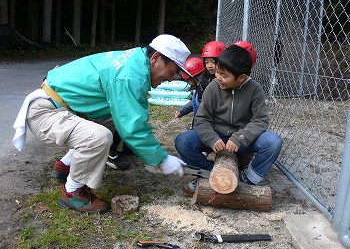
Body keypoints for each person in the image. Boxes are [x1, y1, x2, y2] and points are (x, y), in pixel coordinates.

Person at [12, 34, 190, 214]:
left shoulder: (136, 62)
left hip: (62, 107)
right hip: (46, 113)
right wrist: (160, 158)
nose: (171, 78)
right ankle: (72, 191)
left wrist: (154, 155)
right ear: (156, 58)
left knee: (116, 117)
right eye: (173, 70)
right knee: (99, 136)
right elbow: (133, 128)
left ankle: (66, 165)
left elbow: (134, 115)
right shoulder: (130, 75)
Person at [175, 42, 282, 194]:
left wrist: (240, 137)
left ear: (241, 77)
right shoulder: (213, 87)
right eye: (217, 72)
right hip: (217, 135)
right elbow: (201, 119)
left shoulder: (255, 89)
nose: (218, 77)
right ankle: (208, 173)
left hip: (242, 139)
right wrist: (211, 138)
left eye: (224, 75)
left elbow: (260, 120)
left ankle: (249, 179)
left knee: (273, 142)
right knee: (183, 141)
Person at [174, 57, 205, 121]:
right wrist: (182, 110)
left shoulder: (206, 90)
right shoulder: (196, 90)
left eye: (190, 80)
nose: (190, 83)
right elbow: (194, 102)